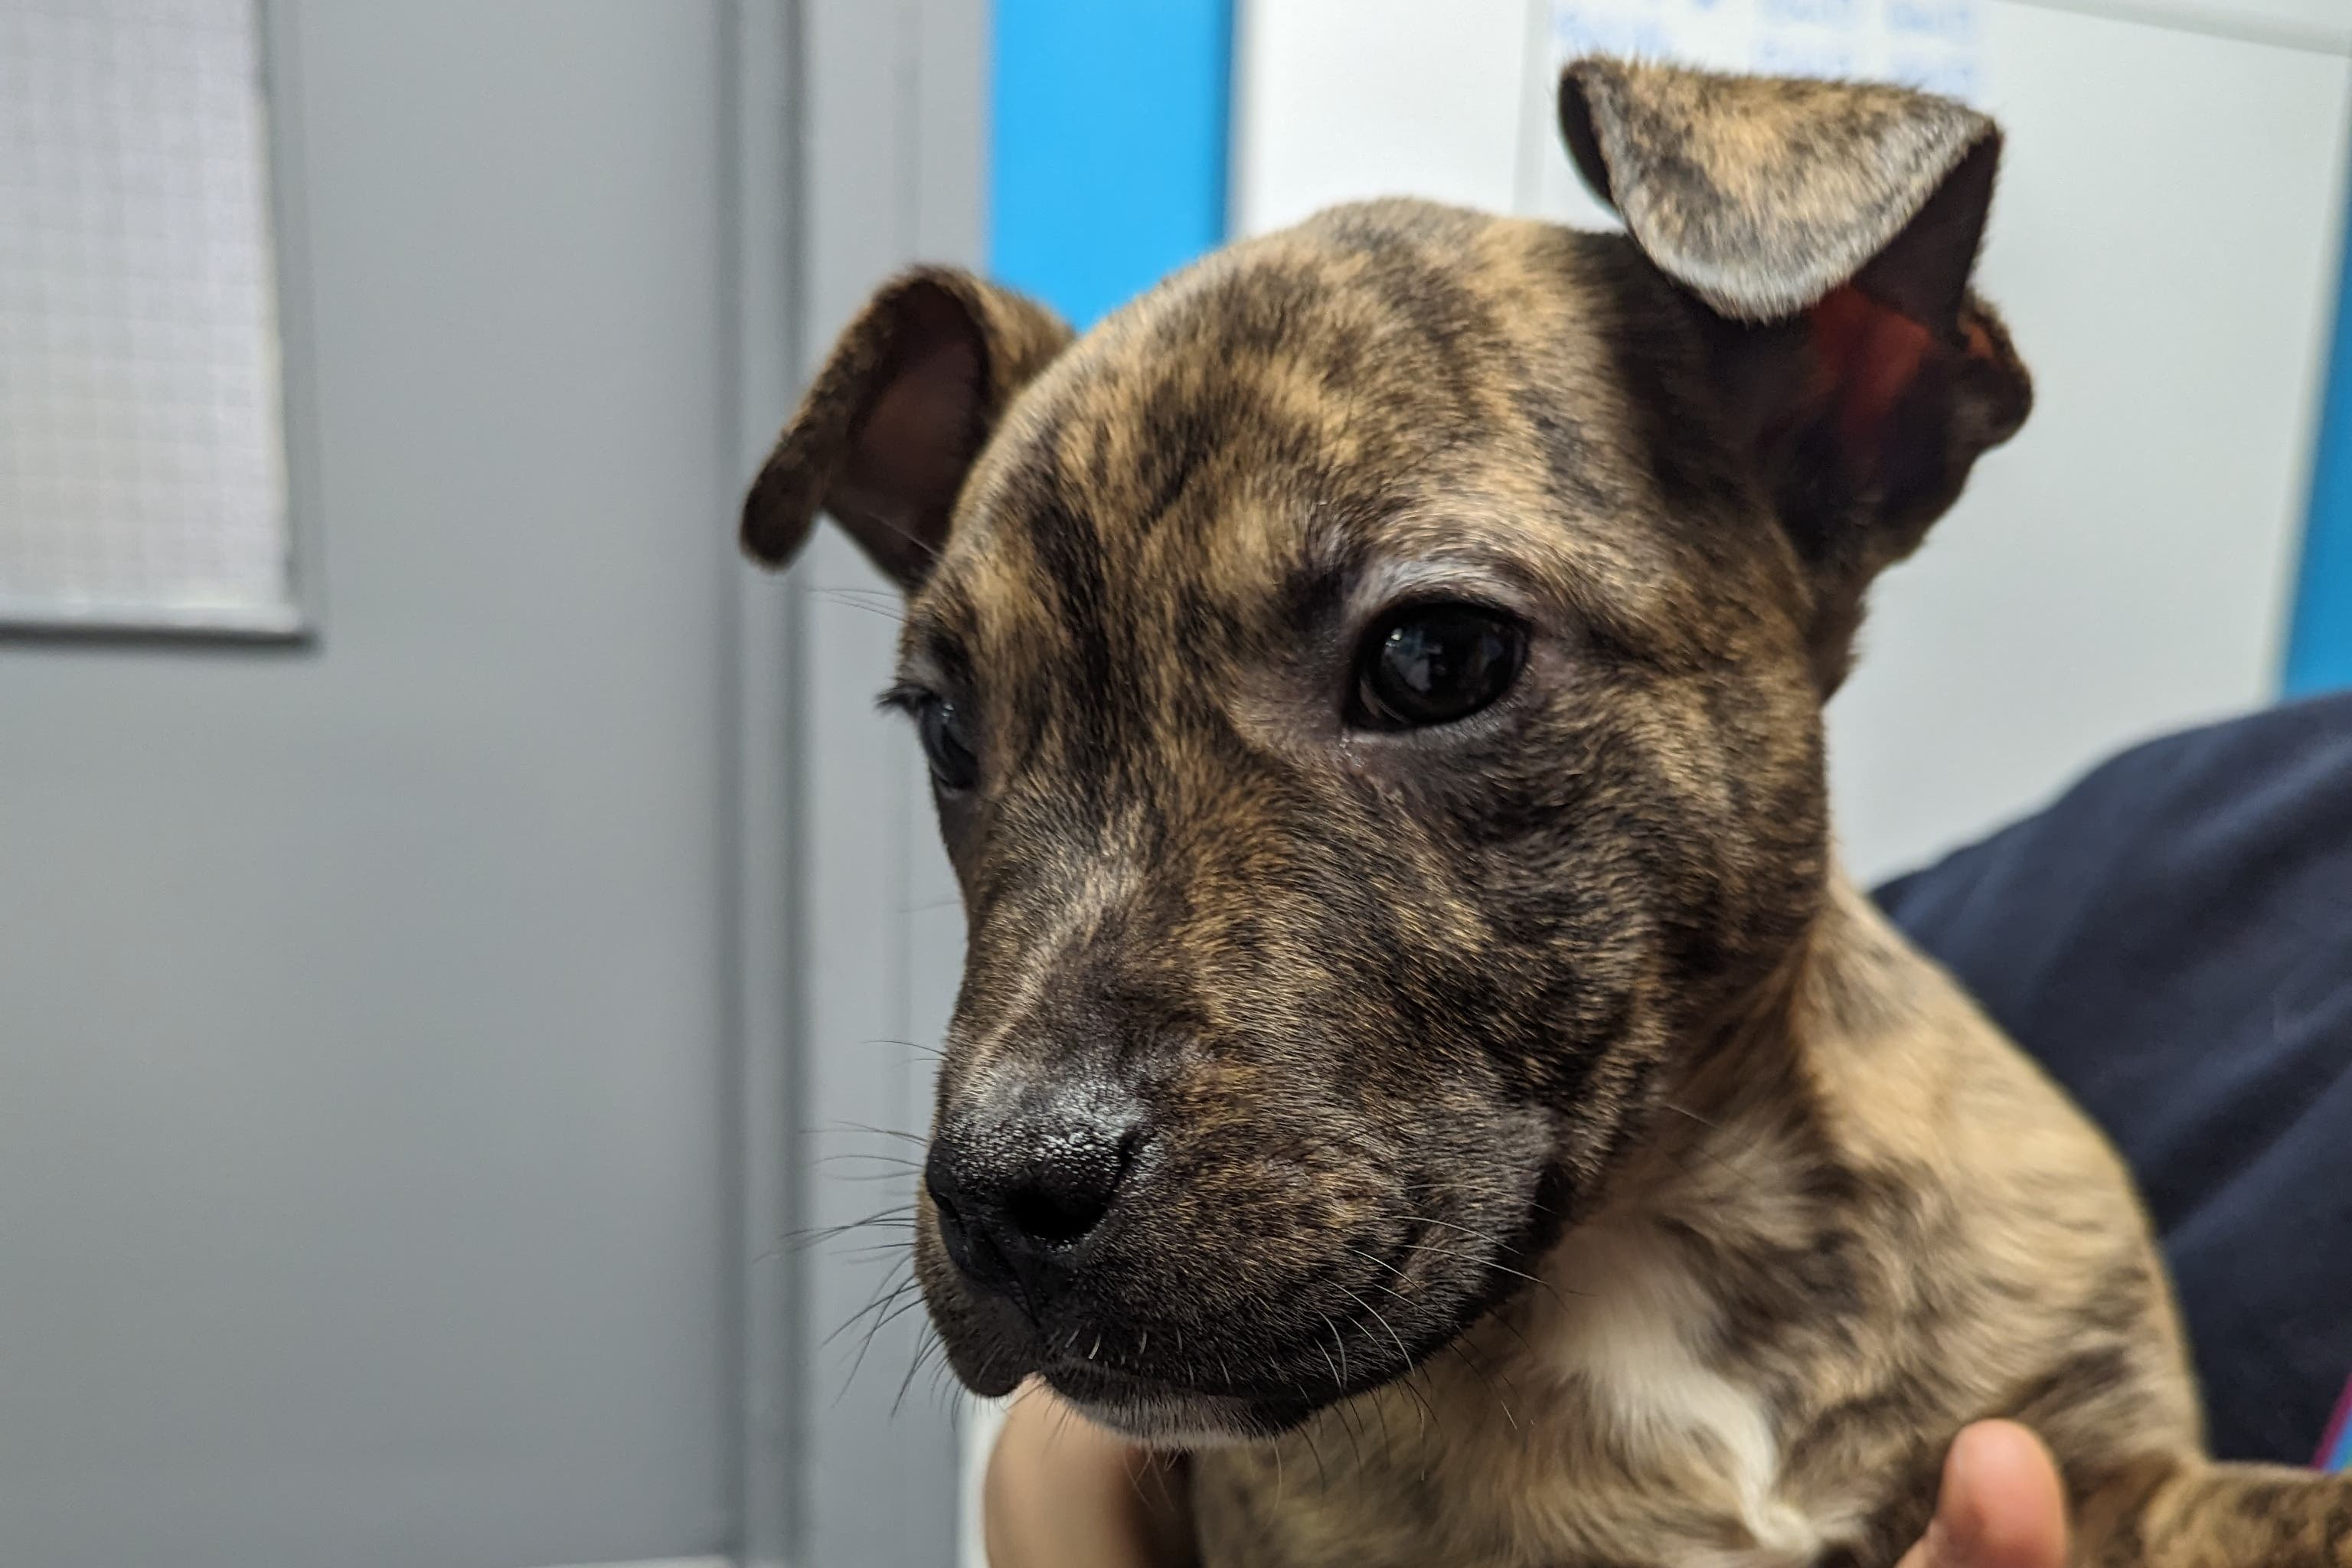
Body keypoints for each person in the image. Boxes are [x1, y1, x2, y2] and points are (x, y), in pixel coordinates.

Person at [984, 692, 2352, 1565]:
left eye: (1431, 658)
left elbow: (2132, 1517)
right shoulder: (2182, 857)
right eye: (956, 741)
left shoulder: (2025, 1234)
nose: (999, 1111)